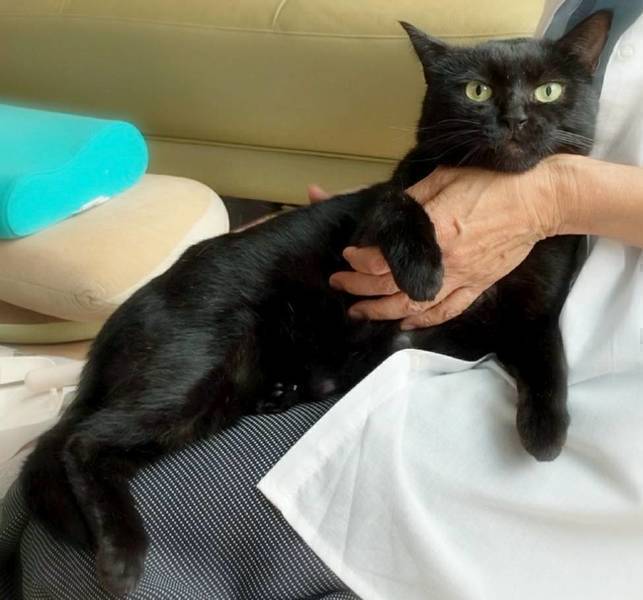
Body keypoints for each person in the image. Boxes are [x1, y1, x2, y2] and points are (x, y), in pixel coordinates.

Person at [1, 1, 641, 598]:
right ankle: (86, 456)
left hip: (606, 410)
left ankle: (86, 458)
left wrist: (554, 198)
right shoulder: (584, 13)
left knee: (81, 561)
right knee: (42, 516)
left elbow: (531, 300)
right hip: (286, 326)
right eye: (480, 93)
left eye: (545, 94)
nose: (518, 113)